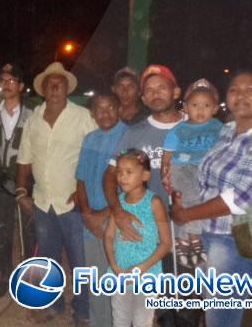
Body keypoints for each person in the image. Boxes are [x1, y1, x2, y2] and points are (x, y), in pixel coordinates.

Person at [171, 69, 252, 327]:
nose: (240, 95)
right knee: (212, 309)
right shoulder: (227, 131)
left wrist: (186, 214)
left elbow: (239, 198)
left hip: (233, 240)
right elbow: (205, 176)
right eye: (234, 90)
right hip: (206, 232)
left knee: (222, 318)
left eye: (250, 90)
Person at [16, 62, 97, 326]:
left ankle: (83, 311)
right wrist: (21, 191)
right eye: (50, 84)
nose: (54, 88)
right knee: (48, 259)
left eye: (59, 84)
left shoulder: (83, 117)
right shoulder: (33, 119)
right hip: (43, 202)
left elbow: (95, 155)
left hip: (72, 202)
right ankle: (54, 305)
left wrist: (84, 189)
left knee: (80, 261)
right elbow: (24, 158)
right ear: (43, 89)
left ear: (66, 89)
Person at [102, 64, 183, 327]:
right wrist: (117, 211)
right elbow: (111, 175)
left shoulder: (196, 130)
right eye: (149, 90)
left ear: (175, 91)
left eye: (161, 87)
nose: (155, 93)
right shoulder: (134, 133)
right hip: (148, 238)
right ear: (143, 97)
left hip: (187, 234)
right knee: (147, 310)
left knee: (184, 309)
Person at [73, 92, 127, 327]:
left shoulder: (128, 137)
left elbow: (131, 185)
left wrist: (103, 215)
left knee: (117, 281)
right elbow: (81, 179)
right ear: (92, 114)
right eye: (100, 109)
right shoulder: (90, 139)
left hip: (116, 220)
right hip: (90, 221)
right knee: (95, 279)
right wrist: (87, 214)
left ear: (120, 110)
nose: (105, 113)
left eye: (110, 108)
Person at [0, 64, 35, 298]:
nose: (6, 84)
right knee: (2, 230)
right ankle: (5, 276)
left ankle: (27, 279)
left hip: (25, 180)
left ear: (21, 86)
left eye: (12, 80)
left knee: (27, 231)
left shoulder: (33, 114)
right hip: (1, 180)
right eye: (3, 79)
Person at [104, 149, 171, 327]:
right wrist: (114, 265)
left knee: (143, 321)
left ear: (145, 175)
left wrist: (141, 268)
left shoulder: (154, 203)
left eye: (129, 172)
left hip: (147, 275)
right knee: (120, 320)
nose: (122, 177)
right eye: (119, 171)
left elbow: (166, 243)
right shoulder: (118, 202)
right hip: (120, 274)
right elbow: (109, 236)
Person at [161, 78, 223, 268]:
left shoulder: (218, 127)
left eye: (206, 105)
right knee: (186, 199)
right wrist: (165, 172)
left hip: (206, 169)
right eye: (195, 105)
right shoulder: (179, 130)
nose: (200, 109)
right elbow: (168, 154)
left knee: (201, 202)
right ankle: (195, 237)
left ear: (214, 108)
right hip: (182, 167)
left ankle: (182, 240)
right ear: (186, 107)